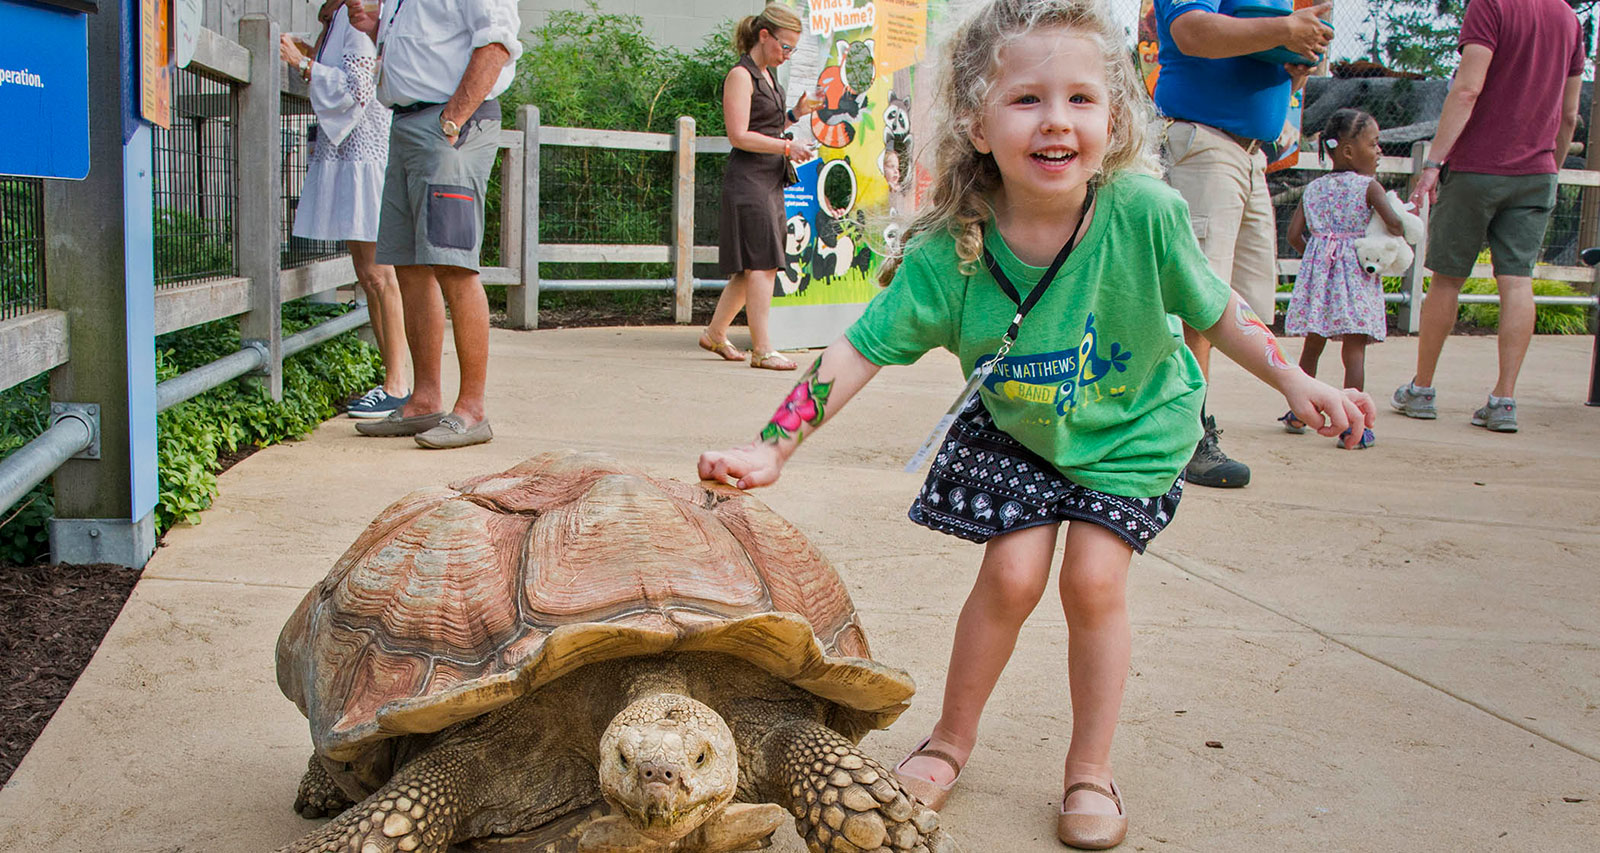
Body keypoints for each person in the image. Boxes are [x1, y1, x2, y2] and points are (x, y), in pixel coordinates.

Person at [697, 1, 1375, 847]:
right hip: (1021, 427)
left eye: (1081, 99)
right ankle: (949, 740)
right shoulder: (953, 252)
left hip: (1132, 425)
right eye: (1027, 100)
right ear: (978, 124)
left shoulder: (1144, 211)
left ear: (1114, 117)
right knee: (1013, 574)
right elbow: (857, 351)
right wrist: (773, 447)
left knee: (1092, 579)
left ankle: (1090, 769)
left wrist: (1295, 377)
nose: (1056, 120)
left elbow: (1217, 304)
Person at [1152, 0, 1332, 487]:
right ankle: (1185, 437)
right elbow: (1191, 31)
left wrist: (1297, 60)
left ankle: (1183, 424)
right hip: (1202, 143)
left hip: (1249, 153)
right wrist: (1286, 28)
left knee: (1240, 306)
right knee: (1195, 303)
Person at [1394, 0, 1584, 433]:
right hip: (1537, 171)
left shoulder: (1491, 5)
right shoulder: (1569, 19)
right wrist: (1549, 166)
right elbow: (1570, 113)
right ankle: (1504, 400)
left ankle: (1422, 391)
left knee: (1447, 277)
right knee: (1517, 280)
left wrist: (1433, 164)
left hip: (1477, 167)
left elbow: (1468, 89)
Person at [348, 0, 520, 449]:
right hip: (407, 123)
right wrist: (373, 28)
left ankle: (472, 410)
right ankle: (424, 401)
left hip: (449, 125)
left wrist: (453, 119)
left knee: (453, 263)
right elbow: (424, 48)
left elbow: (497, 41)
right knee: (409, 264)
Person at [279, 0, 409, 420]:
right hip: (346, 154)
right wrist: (309, 54)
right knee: (368, 275)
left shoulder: (356, 20)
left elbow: (359, 90)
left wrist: (303, 65)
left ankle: (398, 384)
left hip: (363, 155)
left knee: (378, 273)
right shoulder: (337, 18)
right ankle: (394, 380)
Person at [698, 3, 821, 371]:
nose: (787, 55)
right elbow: (739, 135)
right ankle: (763, 349)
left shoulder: (768, 76)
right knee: (763, 265)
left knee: (750, 267)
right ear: (764, 36)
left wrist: (794, 115)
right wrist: (787, 145)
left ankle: (715, 335)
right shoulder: (741, 75)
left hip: (768, 179)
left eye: (792, 49)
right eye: (785, 46)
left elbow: (764, 125)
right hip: (749, 181)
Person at [1282, 109, 1405, 449]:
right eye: (1374, 143)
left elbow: (1294, 235)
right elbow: (1395, 225)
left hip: (1320, 277)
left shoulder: (1314, 189)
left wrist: (1319, 255)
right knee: (1354, 349)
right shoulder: (1369, 187)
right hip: (1355, 277)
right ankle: (1356, 424)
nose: (1378, 151)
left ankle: (1297, 412)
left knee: (1313, 343)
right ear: (1349, 151)